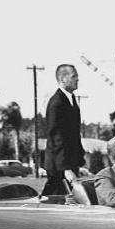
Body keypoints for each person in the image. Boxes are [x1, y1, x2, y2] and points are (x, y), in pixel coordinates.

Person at [42, 64, 85, 195]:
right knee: (55, 202)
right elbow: (57, 137)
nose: (77, 79)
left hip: (69, 163)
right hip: (58, 166)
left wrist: (79, 159)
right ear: (62, 79)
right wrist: (65, 168)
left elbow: (73, 134)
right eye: (74, 76)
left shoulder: (71, 100)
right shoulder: (57, 103)